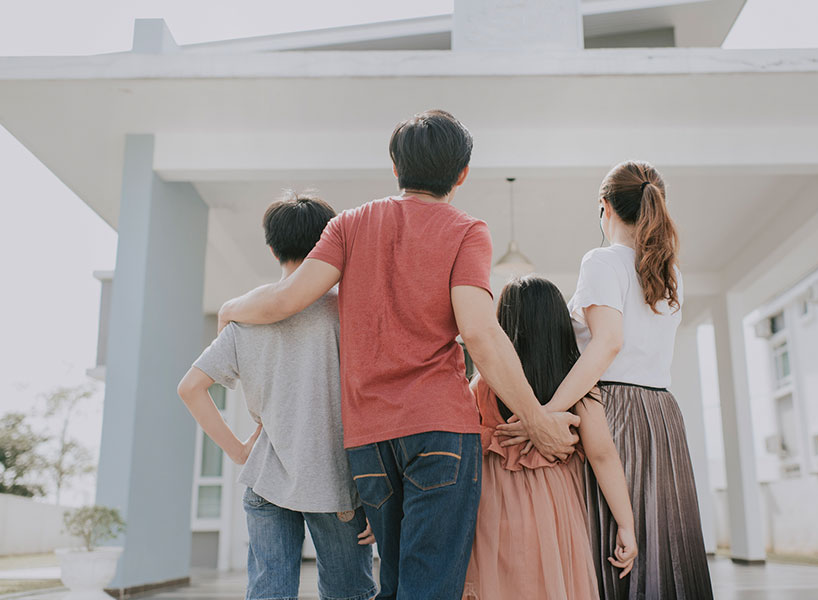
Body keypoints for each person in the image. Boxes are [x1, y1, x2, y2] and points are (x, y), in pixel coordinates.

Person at [215, 109, 579, 600]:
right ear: (462, 174)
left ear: (394, 167)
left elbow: (286, 300)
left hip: (368, 439)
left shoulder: (348, 225)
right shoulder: (467, 230)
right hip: (439, 430)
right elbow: (480, 331)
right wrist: (536, 419)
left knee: (392, 583)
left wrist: (232, 307)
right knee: (429, 585)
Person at [498, 160, 714, 599]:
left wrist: (545, 414)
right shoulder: (672, 274)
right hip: (663, 416)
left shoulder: (601, 261)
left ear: (605, 206)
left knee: (612, 546)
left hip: (613, 411)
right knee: (663, 538)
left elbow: (607, 344)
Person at [177, 192, 377, 600]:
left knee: (268, 593)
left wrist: (236, 451)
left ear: (272, 249)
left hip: (267, 477)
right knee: (349, 594)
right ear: (329, 243)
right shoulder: (349, 312)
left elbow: (190, 388)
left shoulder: (245, 320)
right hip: (337, 482)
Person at [463, 276, 637, 600]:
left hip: (492, 511)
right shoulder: (578, 387)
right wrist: (625, 524)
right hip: (558, 515)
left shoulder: (483, 385)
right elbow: (603, 456)